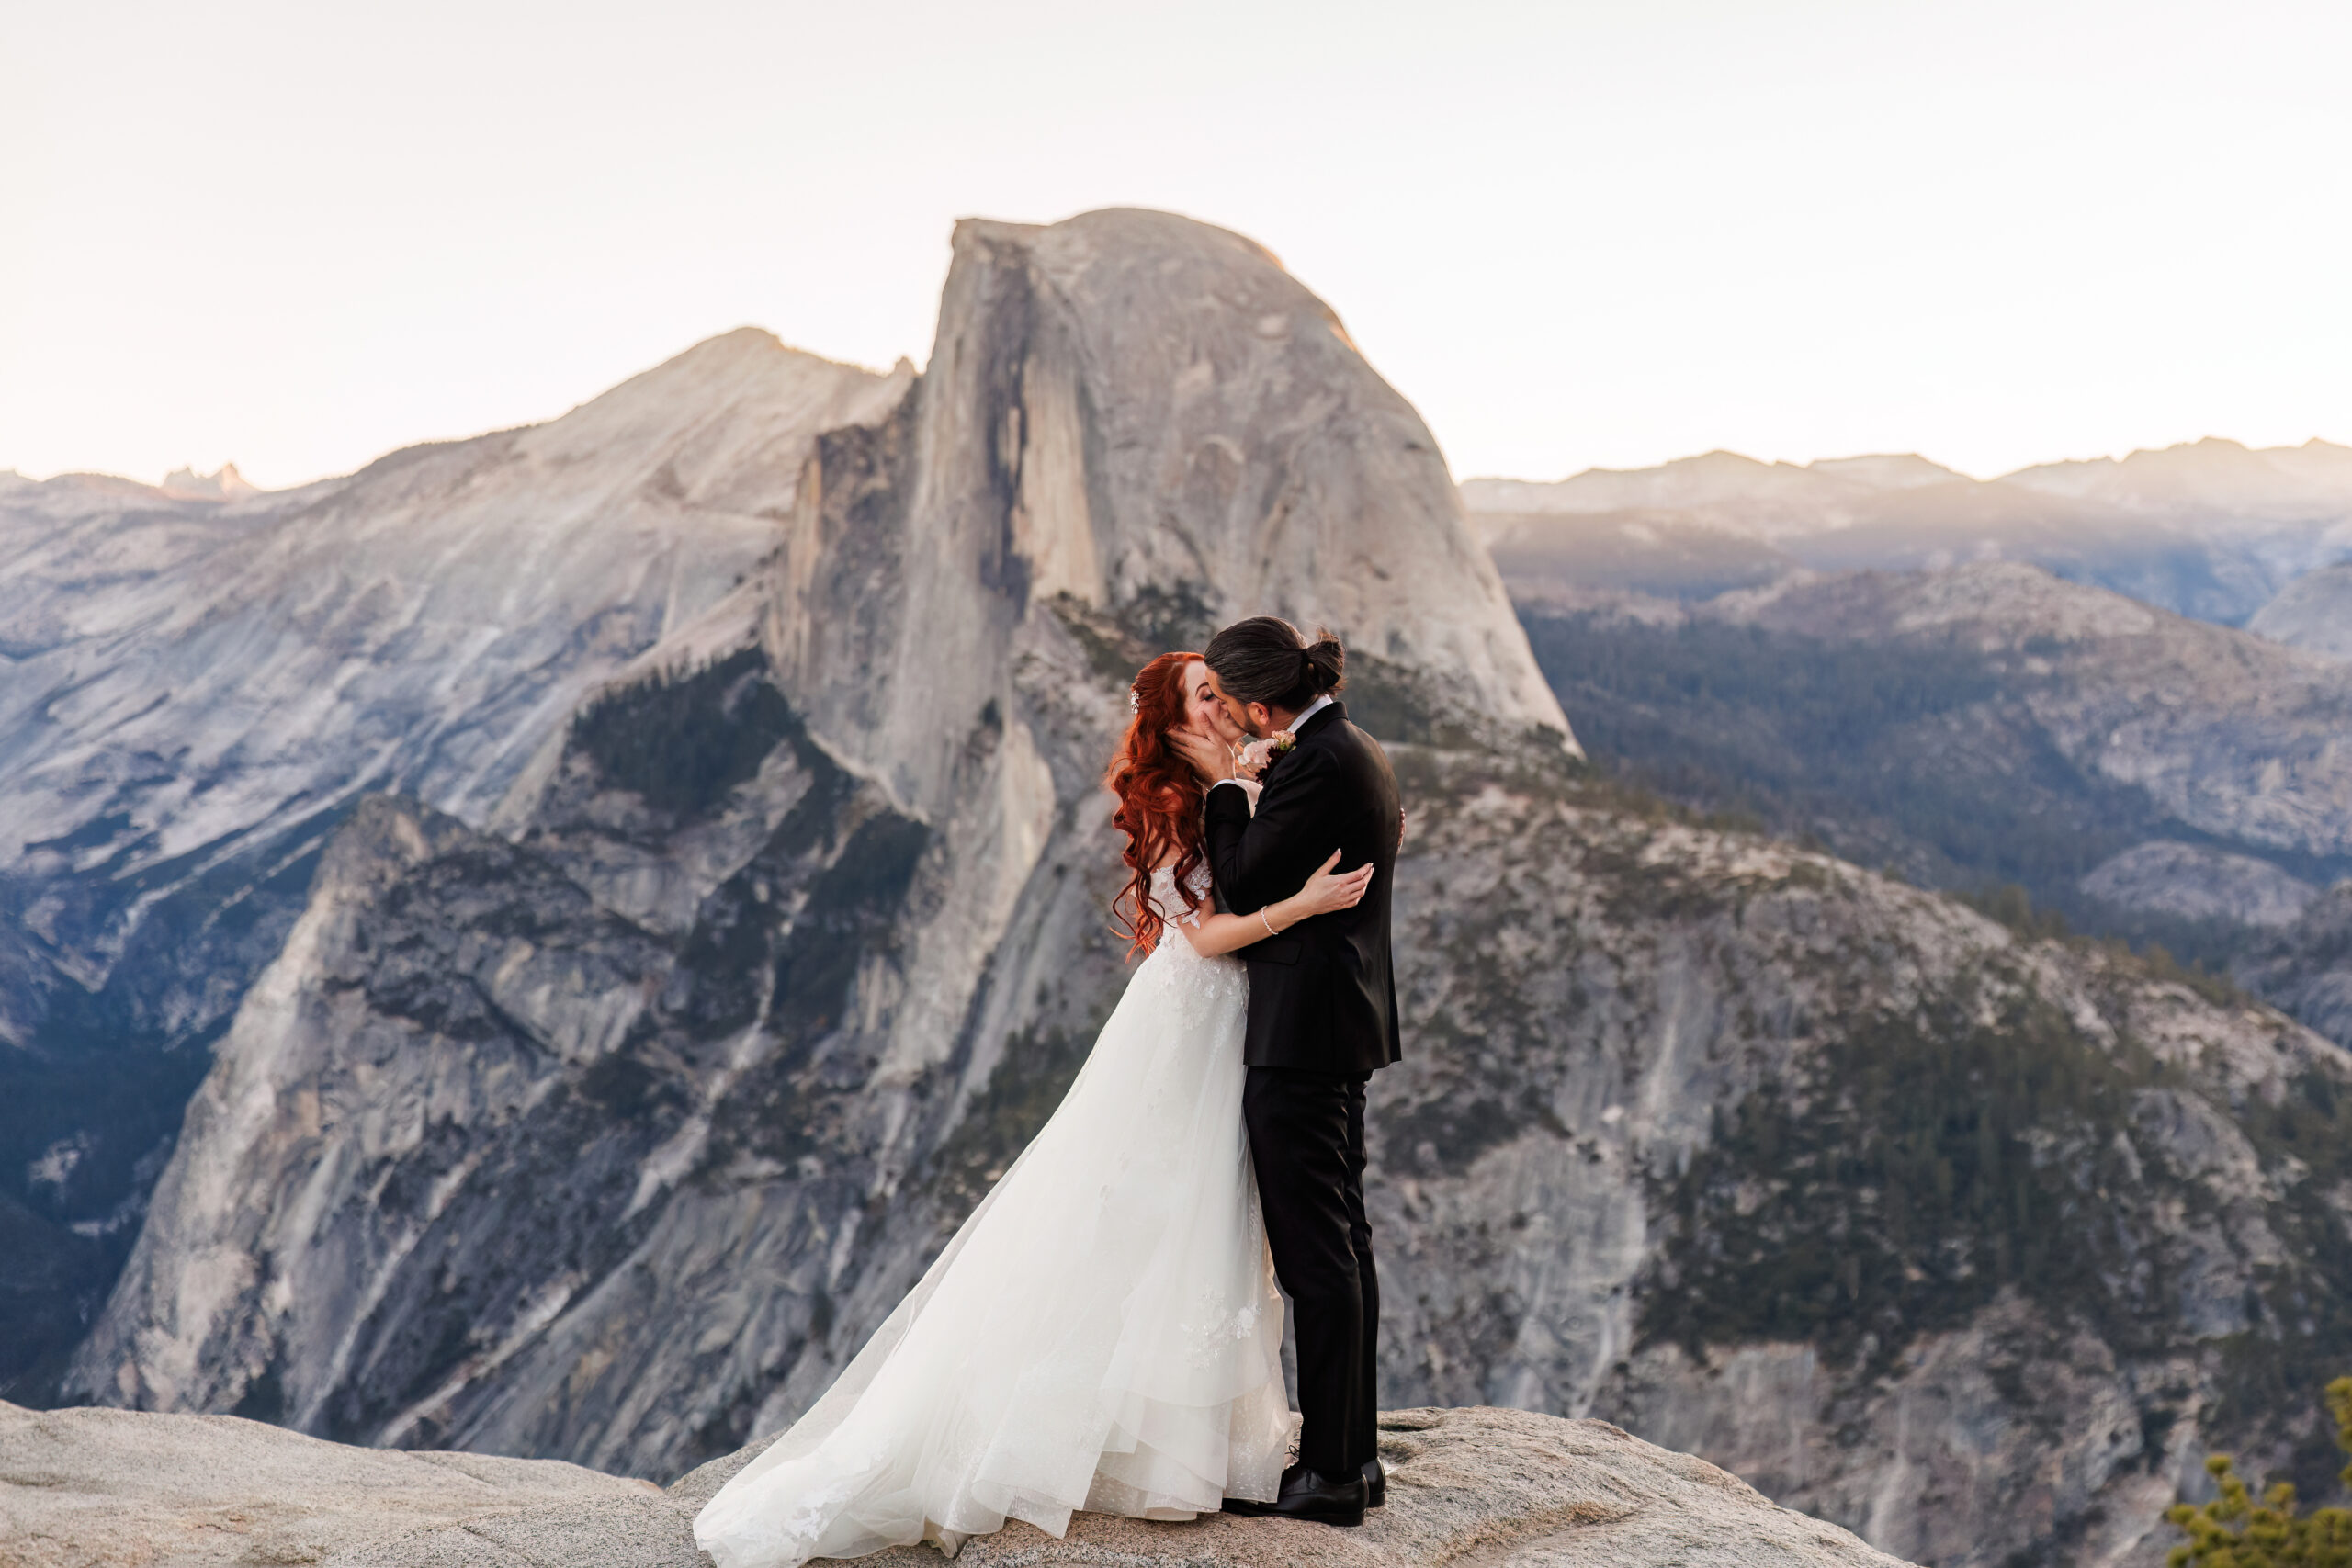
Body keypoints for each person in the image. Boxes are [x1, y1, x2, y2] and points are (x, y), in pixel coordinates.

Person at [694, 651, 1374, 1568]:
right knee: (1151, 1211)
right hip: (1194, 1022)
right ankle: (1114, 1437)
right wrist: (1301, 905)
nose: (1226, 707)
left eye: (1223, 690)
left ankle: (1198, 1437)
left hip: (1242, 1033)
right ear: (1169, 722)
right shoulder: (1174, 799)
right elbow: (1205, 934)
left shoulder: (1238, 776)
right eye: (1205, 695)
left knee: (1213, 1222)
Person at [1167, 615, 1403, 1529]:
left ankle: (1336, 1471)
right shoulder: (1359, 750)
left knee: (1317, 1256)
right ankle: (1354, 1455)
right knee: (1343, 1244)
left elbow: (1237, 885)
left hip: (1302, 1032)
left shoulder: (1313, 766)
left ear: (1262, 703)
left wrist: (1224, 789)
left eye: (1234, 705)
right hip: (1337, 1022)